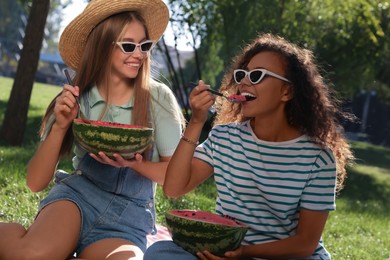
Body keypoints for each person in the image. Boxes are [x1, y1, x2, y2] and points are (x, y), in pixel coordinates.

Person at [0, 0, 185, 259]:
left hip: (128, 216)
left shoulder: (158, 98)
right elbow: (35, 182)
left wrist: (133, 164)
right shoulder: (78, 96)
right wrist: (61, 126)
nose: (139, 54)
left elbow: (173, 175)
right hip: (76, 197)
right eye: (129, 46)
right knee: (31, 254)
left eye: (144, 45)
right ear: (102, 46)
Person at [144, 33, 354, 260]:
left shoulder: (318, 158)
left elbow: (305, 244)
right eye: (241, 74)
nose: (243, 82)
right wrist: (196, 122)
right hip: (226, 253)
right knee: (160, 253)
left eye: (256, 76)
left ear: (287, 91)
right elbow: (174, 188)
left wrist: (244, 253)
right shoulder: (224, 138)